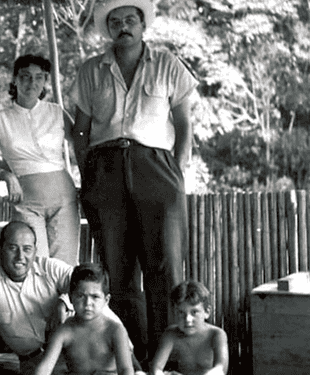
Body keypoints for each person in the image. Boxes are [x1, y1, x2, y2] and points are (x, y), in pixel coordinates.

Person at [71, 0, 198, 361]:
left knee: (165, 266)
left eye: (130, 20)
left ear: (142, 25)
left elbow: (184, 121)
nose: (123, 26)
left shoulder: (168, 65)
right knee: (117, 269)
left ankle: (169, 359)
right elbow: (80, 132)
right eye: (115, 22)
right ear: (108, 29)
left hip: (155, 166)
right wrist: (88, 170)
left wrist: (179, 166)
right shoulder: (90, 71)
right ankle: (133, 360)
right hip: (105, 167)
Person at [0, 221, 132, 375]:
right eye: (12, 248)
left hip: (81, 357)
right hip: (34, 362)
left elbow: (88, 285)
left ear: (35, 251)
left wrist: (63, 302)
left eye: (27, 249)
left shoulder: (51, 268)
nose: (20, 256)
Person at [0, 54, 80, 265]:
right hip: (27, 202)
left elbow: (83, 146)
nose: (32, 82)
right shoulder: (0, 120)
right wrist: (6, 175)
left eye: (39, 77)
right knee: (35, 264)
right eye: (25, 76)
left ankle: (65, 300)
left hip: (64, 199)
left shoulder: (57, 112)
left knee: (65, 267)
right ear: (15, 80)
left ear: (45, 81)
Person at [35, 263, 134, 375]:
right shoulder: (64, 331)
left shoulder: (115, 330)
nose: (88, 303)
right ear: (71, 298)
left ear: (106, 300)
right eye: (81, 296)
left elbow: (126, 370)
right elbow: (45, 368)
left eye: (95, 297)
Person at [148, 281, 228, 375]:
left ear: (207, 312)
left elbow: (221, 369)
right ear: (175, 312)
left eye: (194, 312)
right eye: (181, 312)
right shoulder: (171, 334)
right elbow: (156, 368)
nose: (187, 319)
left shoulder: (216, 334)